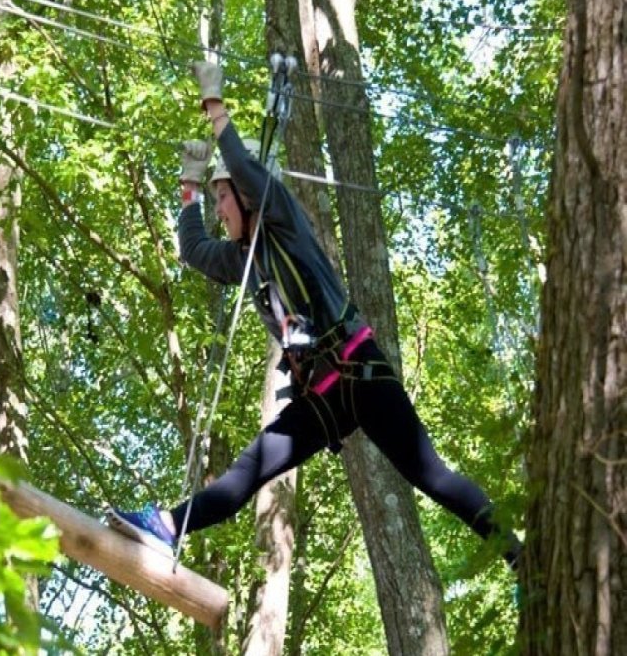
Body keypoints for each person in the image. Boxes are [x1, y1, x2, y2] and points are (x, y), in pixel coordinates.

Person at [107, 61, 522, 571]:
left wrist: (215, 106)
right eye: (215, 200)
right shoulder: (247, 259)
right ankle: (168, 526)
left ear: (245, 196)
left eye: (222, 198)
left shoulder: (282, 217)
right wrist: (190, 189)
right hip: (321, 395)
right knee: (251, 467)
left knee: (430, 474)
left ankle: (519, 554)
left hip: (359, 369)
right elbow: (193, 251)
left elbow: (241, 163)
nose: (220, 210)